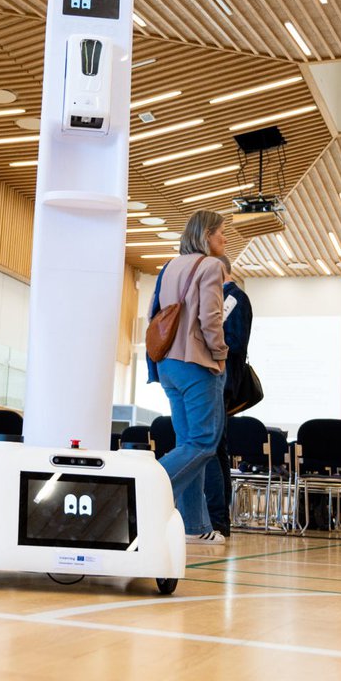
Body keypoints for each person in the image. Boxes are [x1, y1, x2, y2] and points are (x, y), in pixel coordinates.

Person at [148, 210, 229, 544]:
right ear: (207, 234)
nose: (225, 239)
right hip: (197, 363)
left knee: (189, 444)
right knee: (203, 443)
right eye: (222, 233)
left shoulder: (169, 266)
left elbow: (154, 312)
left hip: (168, 364)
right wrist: (221, 353)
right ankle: (148, 487)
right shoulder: (212, 266)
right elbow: (211, 318)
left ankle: (194, 527)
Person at [204, 255, 253, 536]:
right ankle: (217, 518)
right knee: (216, 449)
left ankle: (217, 519)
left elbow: (234, 342)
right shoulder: (217, 299)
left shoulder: (235, 299)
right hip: (214, 381)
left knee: (213, 450)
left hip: (221, 381)